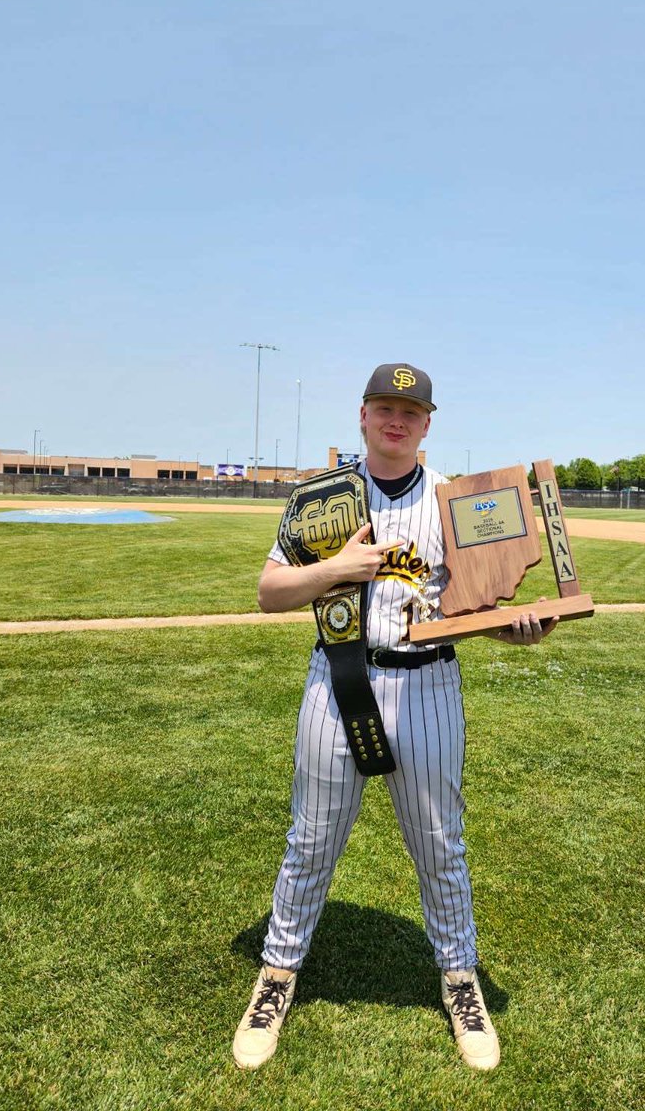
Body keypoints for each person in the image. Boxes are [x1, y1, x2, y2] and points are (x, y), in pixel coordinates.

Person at [233, 363, 558, 1072]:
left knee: (441, 844)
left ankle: (459, 977)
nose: (396, 420)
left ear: (427, 423)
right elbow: (268, 593)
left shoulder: (450, 501)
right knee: (310, 841)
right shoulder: (325, 498)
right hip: (339, 677)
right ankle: (277, 975)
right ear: (362, 414)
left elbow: (475, 609)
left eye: (410, 412)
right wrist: (334, 570)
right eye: (385, 407)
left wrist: (517, 627)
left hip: (429, 687)